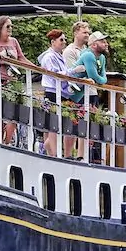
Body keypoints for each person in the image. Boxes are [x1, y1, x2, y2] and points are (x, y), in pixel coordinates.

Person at [38, 28, 71, 157]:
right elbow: (54, 74)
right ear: (53, 42)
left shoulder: (58, 56)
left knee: (56, 123)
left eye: (64, 39)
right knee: (53, 124)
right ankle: (53, 153)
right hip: (52, 91)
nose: (64, 42)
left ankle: (48, 148)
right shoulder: (49, 56)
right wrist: (71, 72)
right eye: (61, 39)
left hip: (60, 92)